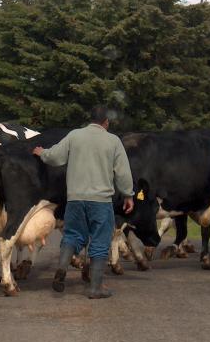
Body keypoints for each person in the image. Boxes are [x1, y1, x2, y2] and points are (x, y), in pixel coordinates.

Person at [32, 105, 134, 299]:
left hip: (75, 200)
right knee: (100, 241)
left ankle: (62, 267)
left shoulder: (75, 136)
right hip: (101, 202)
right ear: (106, 122)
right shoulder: (113, 141)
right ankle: (95, 288)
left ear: (90, 119)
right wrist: (128, 195)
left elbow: (55, 157)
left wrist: (41, 152)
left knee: (72, 235)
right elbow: (122, 172)